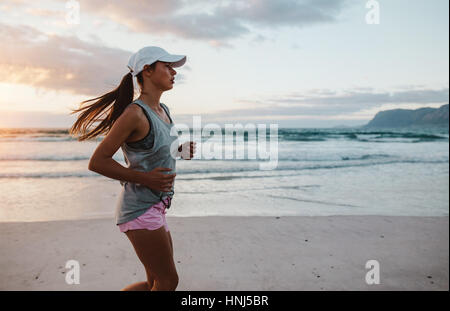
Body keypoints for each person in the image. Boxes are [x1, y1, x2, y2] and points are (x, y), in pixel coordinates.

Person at [69, 46, 196, 291]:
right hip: (139, 209)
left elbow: (154, 151)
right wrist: (145, 179)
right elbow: (98, 161)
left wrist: (180, 151)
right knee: (169, 281)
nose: (174, 73)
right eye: (167, 66)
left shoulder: (163, 111)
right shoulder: (134, 114)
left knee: (155, 283)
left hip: (157, 205)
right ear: (147, 70)